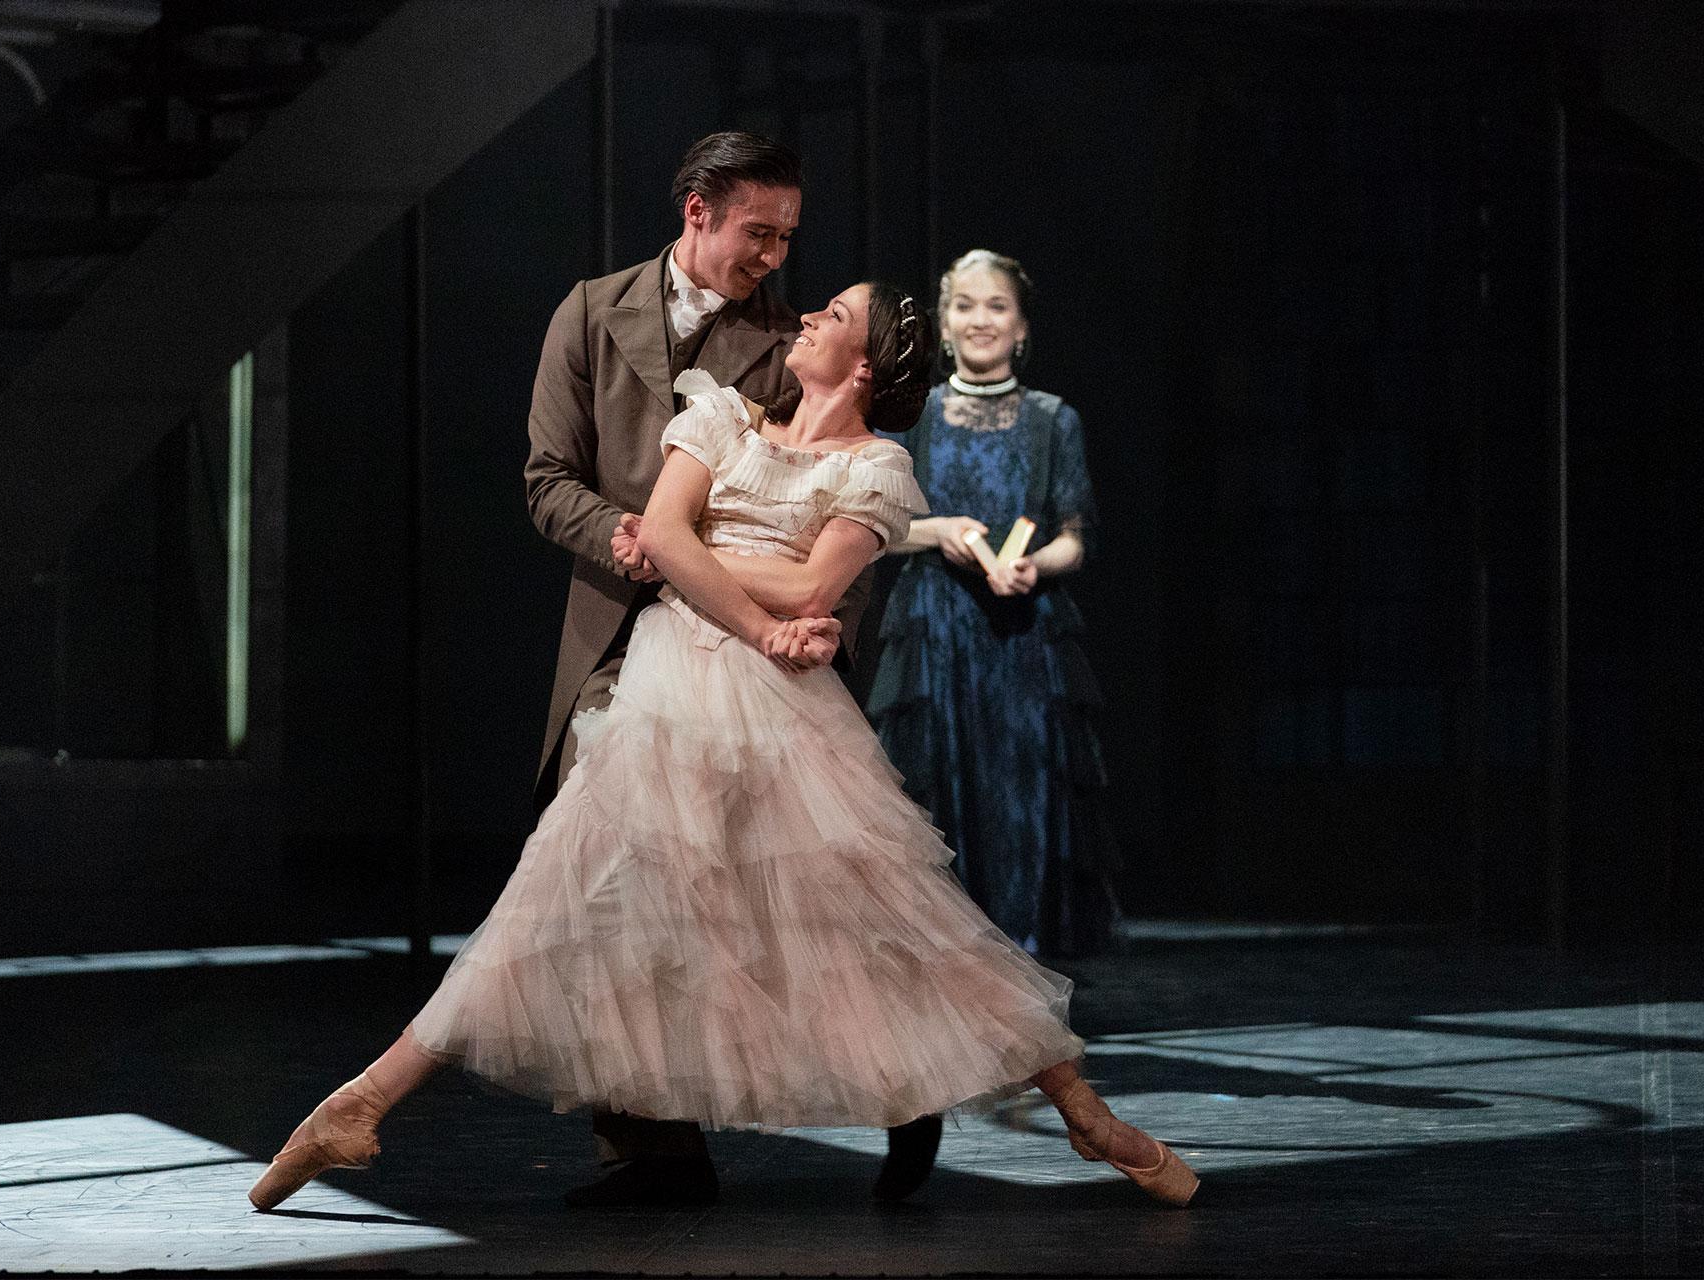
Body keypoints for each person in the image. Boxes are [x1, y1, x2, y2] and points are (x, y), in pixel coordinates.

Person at [247, 282, 1199, 1215]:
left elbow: (796, 588)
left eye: (833, 315)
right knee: (551, 903)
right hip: (670, 695)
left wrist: (717, 575)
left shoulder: (876, 468)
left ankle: (1086, 1115)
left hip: (783, 712)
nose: (811, 313)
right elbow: (669, 533)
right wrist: (751, 596)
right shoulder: (721, 417)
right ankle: (358, 1105)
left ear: (860, 365)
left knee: (904, 914)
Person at [520, 130, 925, 1206]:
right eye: (760, 232)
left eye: (789, 238)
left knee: (789, 889)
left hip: (744, 640)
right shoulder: (590, 312)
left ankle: (903, 1075)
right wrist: (634, 536)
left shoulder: (786, 340)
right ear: (697, 211)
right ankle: (652, 1146)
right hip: (619, 631)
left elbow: (834, 497)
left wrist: (815, 612)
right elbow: (546, 477)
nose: (775, 259)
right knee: (611, 872)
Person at [866, 250, 1122, 958]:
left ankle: (1024, 967)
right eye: (966, 306)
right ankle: (948, 978)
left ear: (1021, 326)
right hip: (935, 635)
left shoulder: (1051, 421)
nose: (981, 320)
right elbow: (870, 529)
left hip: (1026, 639)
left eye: (997, 306)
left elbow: (1078, 534)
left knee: (1022, 800)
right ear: (943, 326)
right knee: (939, 799)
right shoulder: (911, 417)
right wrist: (936, 531)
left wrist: (1036, 565)